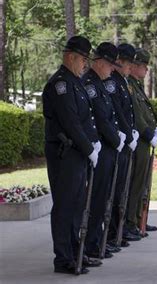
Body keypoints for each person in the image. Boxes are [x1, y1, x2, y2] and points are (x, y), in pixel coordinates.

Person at [42, 36, 102, 274]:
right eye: (82, 60)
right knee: (65, 206)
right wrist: (89, 148)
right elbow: (70, 122)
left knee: (77, 205)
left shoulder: (74, 82)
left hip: (77, 153)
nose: (84, 65)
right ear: (70, 57)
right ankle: (64, 257)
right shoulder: (60, 85)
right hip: (64, 153)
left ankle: (77, 251)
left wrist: (91, 145)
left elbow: (85, 120)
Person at [82, 42, 126, 259]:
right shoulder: (90, 84)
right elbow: (100, 117)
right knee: (97, 198)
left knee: (104, 197)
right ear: (99, 62)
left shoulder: (101, 83)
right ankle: (91, 243)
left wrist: (118, 136)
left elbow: (111, 115)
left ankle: (97, 240)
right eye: (110, 64)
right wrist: (115, 138)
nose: (112, 69)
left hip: (108, 148)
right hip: (100, 148)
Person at [105, 43, 141, 244]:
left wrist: (131, 133)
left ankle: (119, 230)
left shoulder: (123, 82)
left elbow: (128, 113)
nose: (130, 68)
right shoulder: (113, 83)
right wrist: (127, 135)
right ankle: (113, 233)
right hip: (118, 142)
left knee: (121, 190)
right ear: (119, 62)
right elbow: (117, 113)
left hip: (126, 141)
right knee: (114, 191)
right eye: (128, 64)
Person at [125, 48, 157, 238]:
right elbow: (137, 116)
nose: (146, 70)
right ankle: (130, 221)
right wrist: (148, 133)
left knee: (143, 183)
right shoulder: (129, 86)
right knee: (136, 183)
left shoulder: (136, 85)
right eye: (144, 67)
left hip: (144, 141)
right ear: (135, 66)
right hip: (138, 142)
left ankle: (139, 218)